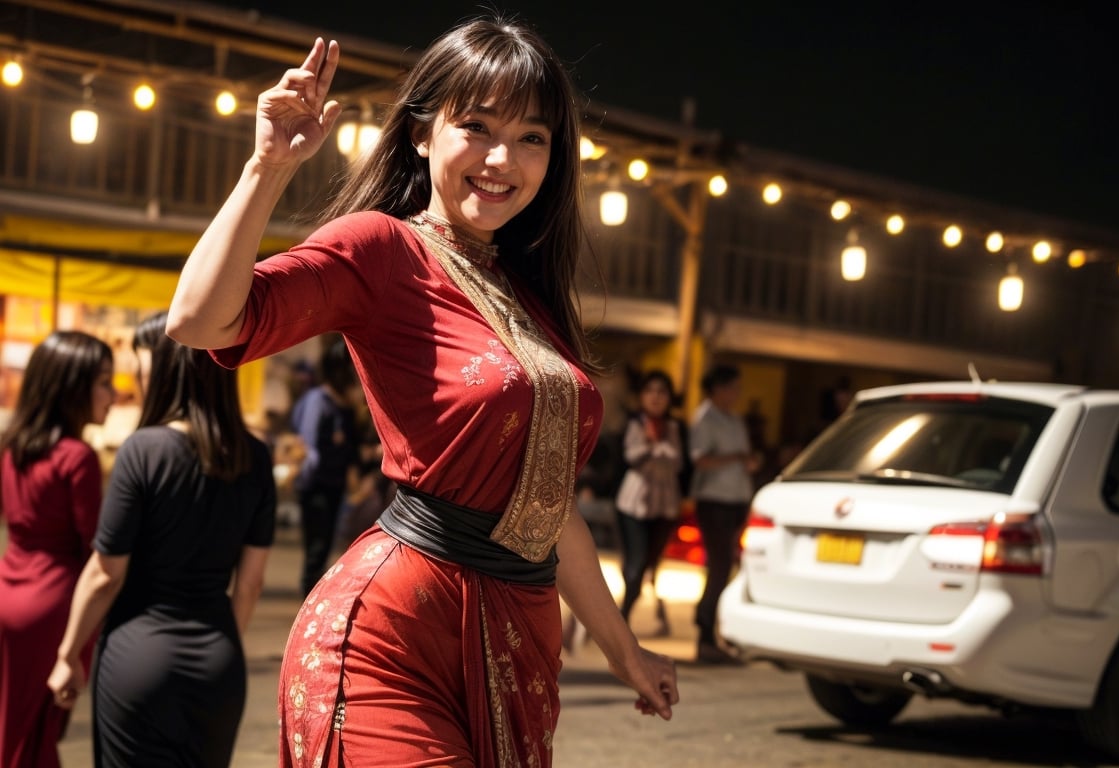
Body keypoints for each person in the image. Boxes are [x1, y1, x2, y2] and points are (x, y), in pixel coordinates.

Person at [164, 16, 679, 768]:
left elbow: (547, 508)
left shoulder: (529, 296)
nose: (503, 159)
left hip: (514, 643)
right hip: (388, 640)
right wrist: (267, 167)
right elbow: (201, 320)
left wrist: (624, 651)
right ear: (421, 133)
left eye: (533, 137)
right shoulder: (380, 247)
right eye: (476, 126)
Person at [47, 311, 276, 767]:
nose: (137, 378)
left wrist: (68, 653)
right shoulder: (255, 457)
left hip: (138, 660)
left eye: (143, 367)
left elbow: (104, 575)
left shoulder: (143, 450)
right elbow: (250, 584)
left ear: (169, 367)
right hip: (219, 664)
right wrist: (220, 641)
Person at [0, 331, 114, 768]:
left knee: (15, 727)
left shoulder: (14, 447)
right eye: (103, 381)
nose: (112, 392)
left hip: (12, 593)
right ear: (73, 387)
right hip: (54, 606)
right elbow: (96, 551)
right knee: (39, 737)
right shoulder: (76, 456)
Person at [689, 363, 759, 665]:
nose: (737, 394)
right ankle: (704, 632)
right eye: (733, 387)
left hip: (735, 498)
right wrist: (736, 458)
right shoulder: (706, 418)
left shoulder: (734, 419)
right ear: (718, 388)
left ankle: (715, 631)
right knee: (718, 566)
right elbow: (701, 460)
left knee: (726, 567)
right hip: (713, 499)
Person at [614, 369, 686, 636]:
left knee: (648, 563)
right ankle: (621, 619)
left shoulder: (676, 427)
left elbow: (678, 462)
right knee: (636, 560)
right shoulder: (634, 423)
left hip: (665, 505)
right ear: (642, 396)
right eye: (651, 391)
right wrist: (655, 448)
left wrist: (654, 447)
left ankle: (624, 613)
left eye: (662, 392)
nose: (656, 397)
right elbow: (631, 457)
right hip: (633, 504)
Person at [291, 335, 363, 595]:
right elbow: (311, 450)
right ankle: (308, 597)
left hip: (333, 486)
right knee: (317, 548)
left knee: (324, 546)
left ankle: (311, 593)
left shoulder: (343, 407)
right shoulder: (319, 401)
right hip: (316, 487)